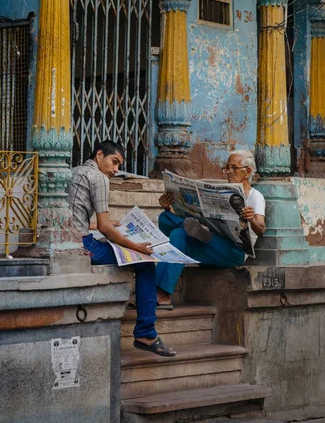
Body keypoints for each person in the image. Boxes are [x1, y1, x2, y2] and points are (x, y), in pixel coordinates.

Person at [68, 140, 176, 357]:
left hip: (70, 238)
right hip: (81, 245)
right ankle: (146, 332)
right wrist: (136, 246)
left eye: (118, 165)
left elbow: (74, 218)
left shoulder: (74, 172)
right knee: (145, 262)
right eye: (114, 162)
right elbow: (105, 228)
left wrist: (107, 226)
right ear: (99, 155)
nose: (116, 170)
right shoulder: (98, 178)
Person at [155, 150, 266, 307]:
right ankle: (190, 229)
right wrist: (170, 207)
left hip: (234, 251)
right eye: (227, 168)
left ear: (247, 171)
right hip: (213, 241)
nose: (228, 172)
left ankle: (161, 293)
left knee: (179, 235)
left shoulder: (255, 196)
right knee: (166, 219)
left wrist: (251, 218)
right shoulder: (222, 190)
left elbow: (261, 228)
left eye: (233, 168)